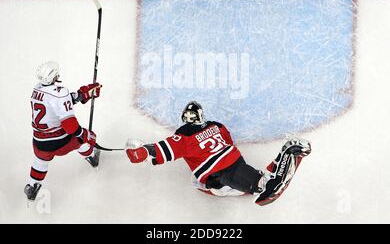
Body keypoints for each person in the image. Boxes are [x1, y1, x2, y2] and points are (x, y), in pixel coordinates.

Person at [125, 101, 311, 206]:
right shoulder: (216, 126)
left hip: (226, 170)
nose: (189, 120)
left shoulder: (185, 135)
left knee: (263, 184)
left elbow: (161, 150)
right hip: (220, 175)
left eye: (190, 116)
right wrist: (144, 151)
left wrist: (143, 151)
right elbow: (162, 149)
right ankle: (282, 162)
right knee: (264, 186)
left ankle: (275, 172)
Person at [25, 61, 102, 201]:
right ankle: (91, 156)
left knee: (40, 160)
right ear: (54, 76)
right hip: (60, 142)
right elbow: (70, 125)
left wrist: (80, 95)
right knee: (85, 138)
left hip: (38, 143)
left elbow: (55, 103)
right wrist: (82, 134)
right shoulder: (61, 92)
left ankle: (33, 185)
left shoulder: (36, 90)